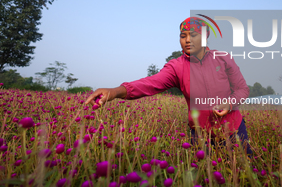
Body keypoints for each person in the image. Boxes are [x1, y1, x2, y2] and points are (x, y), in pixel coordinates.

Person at [85, 16, 252, 157]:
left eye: (193, 35)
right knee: (204, 177)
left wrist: (229, 104)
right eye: (183, 35)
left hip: (234, 130)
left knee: (243, 173)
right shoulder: (176, 67)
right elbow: (149, 84)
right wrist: (114, 92)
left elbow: (242, 89)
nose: (187, 40)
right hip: (200, 135)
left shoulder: (223, 59)